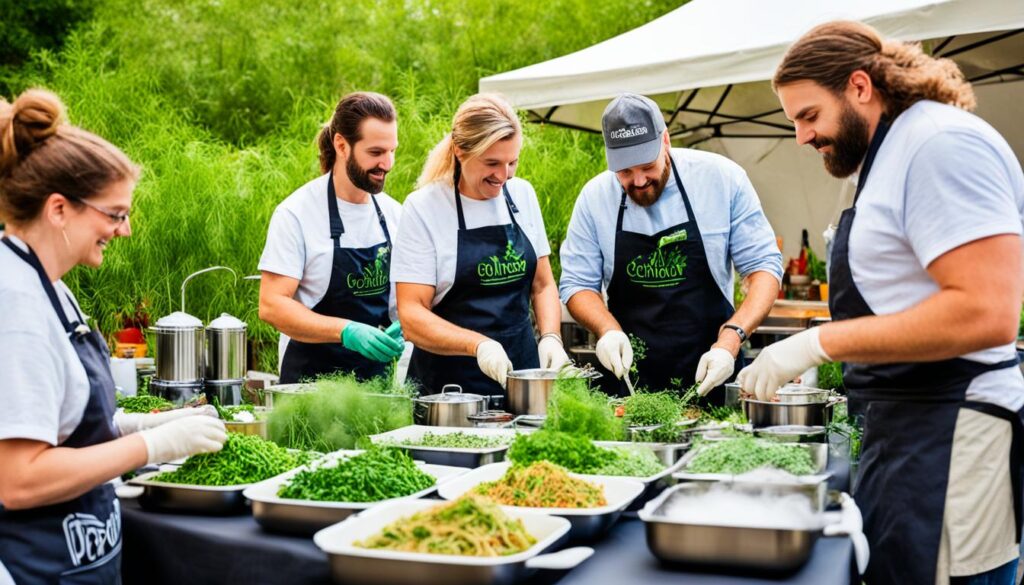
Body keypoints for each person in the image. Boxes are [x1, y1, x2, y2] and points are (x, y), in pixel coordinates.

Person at [738, 21, 1024, 585]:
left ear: (860, 87)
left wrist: (818, 342)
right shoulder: (890, 151)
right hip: (906, 426)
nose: (801, 136)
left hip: (953, 432)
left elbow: (988, 312)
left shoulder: (940, 145)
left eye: (809, 115)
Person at [0, 89, 226, 583]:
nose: (123, 230)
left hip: (84, 552)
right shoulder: (14, 304)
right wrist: (152, 447)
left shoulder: (51, 287)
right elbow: (17, 479)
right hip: (36, 565)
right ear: (59, 209)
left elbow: (61, 425)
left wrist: (136, 426)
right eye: (114, 213)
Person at [559, 93, 782, 398]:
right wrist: (606, 330)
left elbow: (764, 269)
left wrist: (731, 339)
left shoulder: (721, 179)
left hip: (712, 373)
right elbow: (576, 283)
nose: (638, 181)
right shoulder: (595, 197)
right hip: (629, 382)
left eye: (647, 166)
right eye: (625, 171)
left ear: (666, 141)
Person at [393, 93, 568, 397]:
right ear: (460, 151)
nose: (503, 176)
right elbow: (411, 315)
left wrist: (551, 336)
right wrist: (479, 345)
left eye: (512, 162)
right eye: (492, 163)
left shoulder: (522, 195)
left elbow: (543, 285)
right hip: (450, 394)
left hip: (522, 381)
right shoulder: (425, 208)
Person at [259, 92, 405, 383]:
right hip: (309, 390)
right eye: (375, 153)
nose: (387, 164)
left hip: (376, 388)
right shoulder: (296, 214)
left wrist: (406, 324)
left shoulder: (394, 214)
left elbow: (404, 299)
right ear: (341, 145)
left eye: (392, 151)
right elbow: (272, 304)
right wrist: (346, 331)